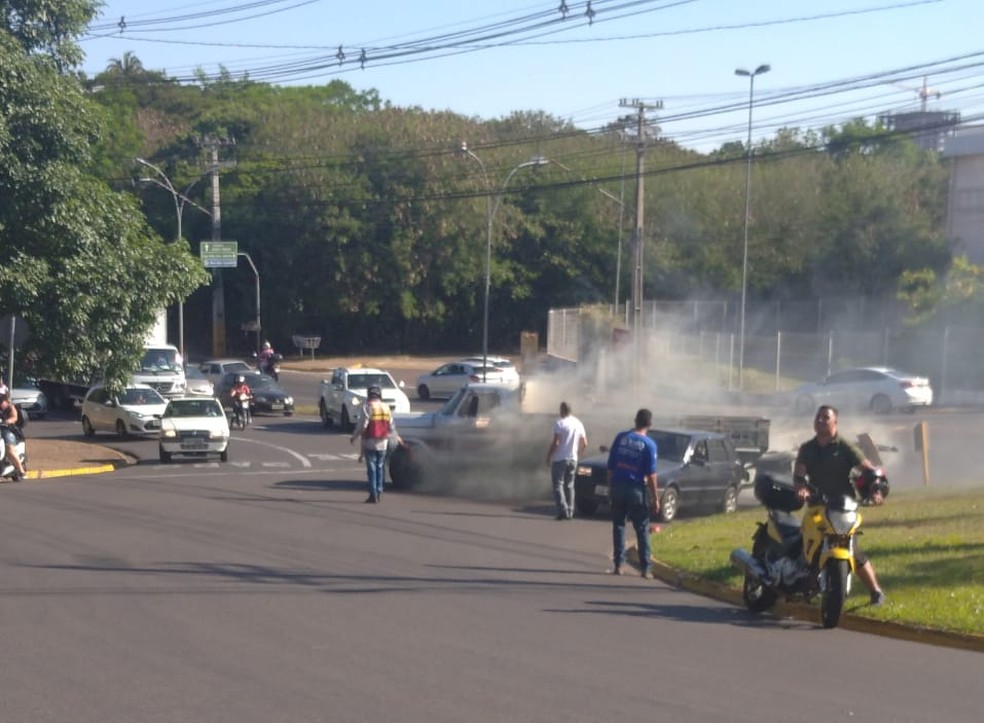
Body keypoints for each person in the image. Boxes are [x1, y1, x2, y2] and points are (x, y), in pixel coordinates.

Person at [793, 404, 887, 606]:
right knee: (809, 541)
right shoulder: (807, 449)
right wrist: (801, 488)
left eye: (825, 417)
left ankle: (876, 592)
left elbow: (866, 469)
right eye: (818, 417)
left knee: (852, 547)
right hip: (817, 504)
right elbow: (799, 474)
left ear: (835, 422)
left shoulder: (844, 447)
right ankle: (803, 581)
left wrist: (875, 489)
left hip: (843, 505)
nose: (820, 421)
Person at [606, 408, 659, 578]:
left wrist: (610, 488)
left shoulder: (621, 438)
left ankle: (619, 565)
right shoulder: (649, 445)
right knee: (642, 528)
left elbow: (611, 467)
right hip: (636, 490)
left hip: (619, 487)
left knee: (619, 526)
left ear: (635, 420)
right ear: (649, 424)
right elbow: (651, 475)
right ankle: (646, 568)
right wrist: (655, 498)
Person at [351, 385, 403, 504]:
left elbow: (363, 425)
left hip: (370, 441)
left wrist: (354, 437)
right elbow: (391, 426)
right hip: (383, 442)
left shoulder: (368, 406)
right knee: (380, 466)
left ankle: (373, 493)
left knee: (371, 468)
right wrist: (397, 437)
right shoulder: (386, 407)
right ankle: (379, 490)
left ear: (369, 395)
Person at [546, 401, 588, 520]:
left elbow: (556, 442)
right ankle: (570, 511)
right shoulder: (578, 423)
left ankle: (562, 510)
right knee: (570, 485)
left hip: (560, 458)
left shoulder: (560, 423)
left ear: (562, 410)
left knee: (558, 484)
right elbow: (585, 443)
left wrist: (549, 456)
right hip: (573, 458)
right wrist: (577, 454)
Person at [0, 391, 27, 480]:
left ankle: (21, 470)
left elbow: (14, 417)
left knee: (9, 449)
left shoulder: (9, 407)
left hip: (6, 429)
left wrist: (7, 421)